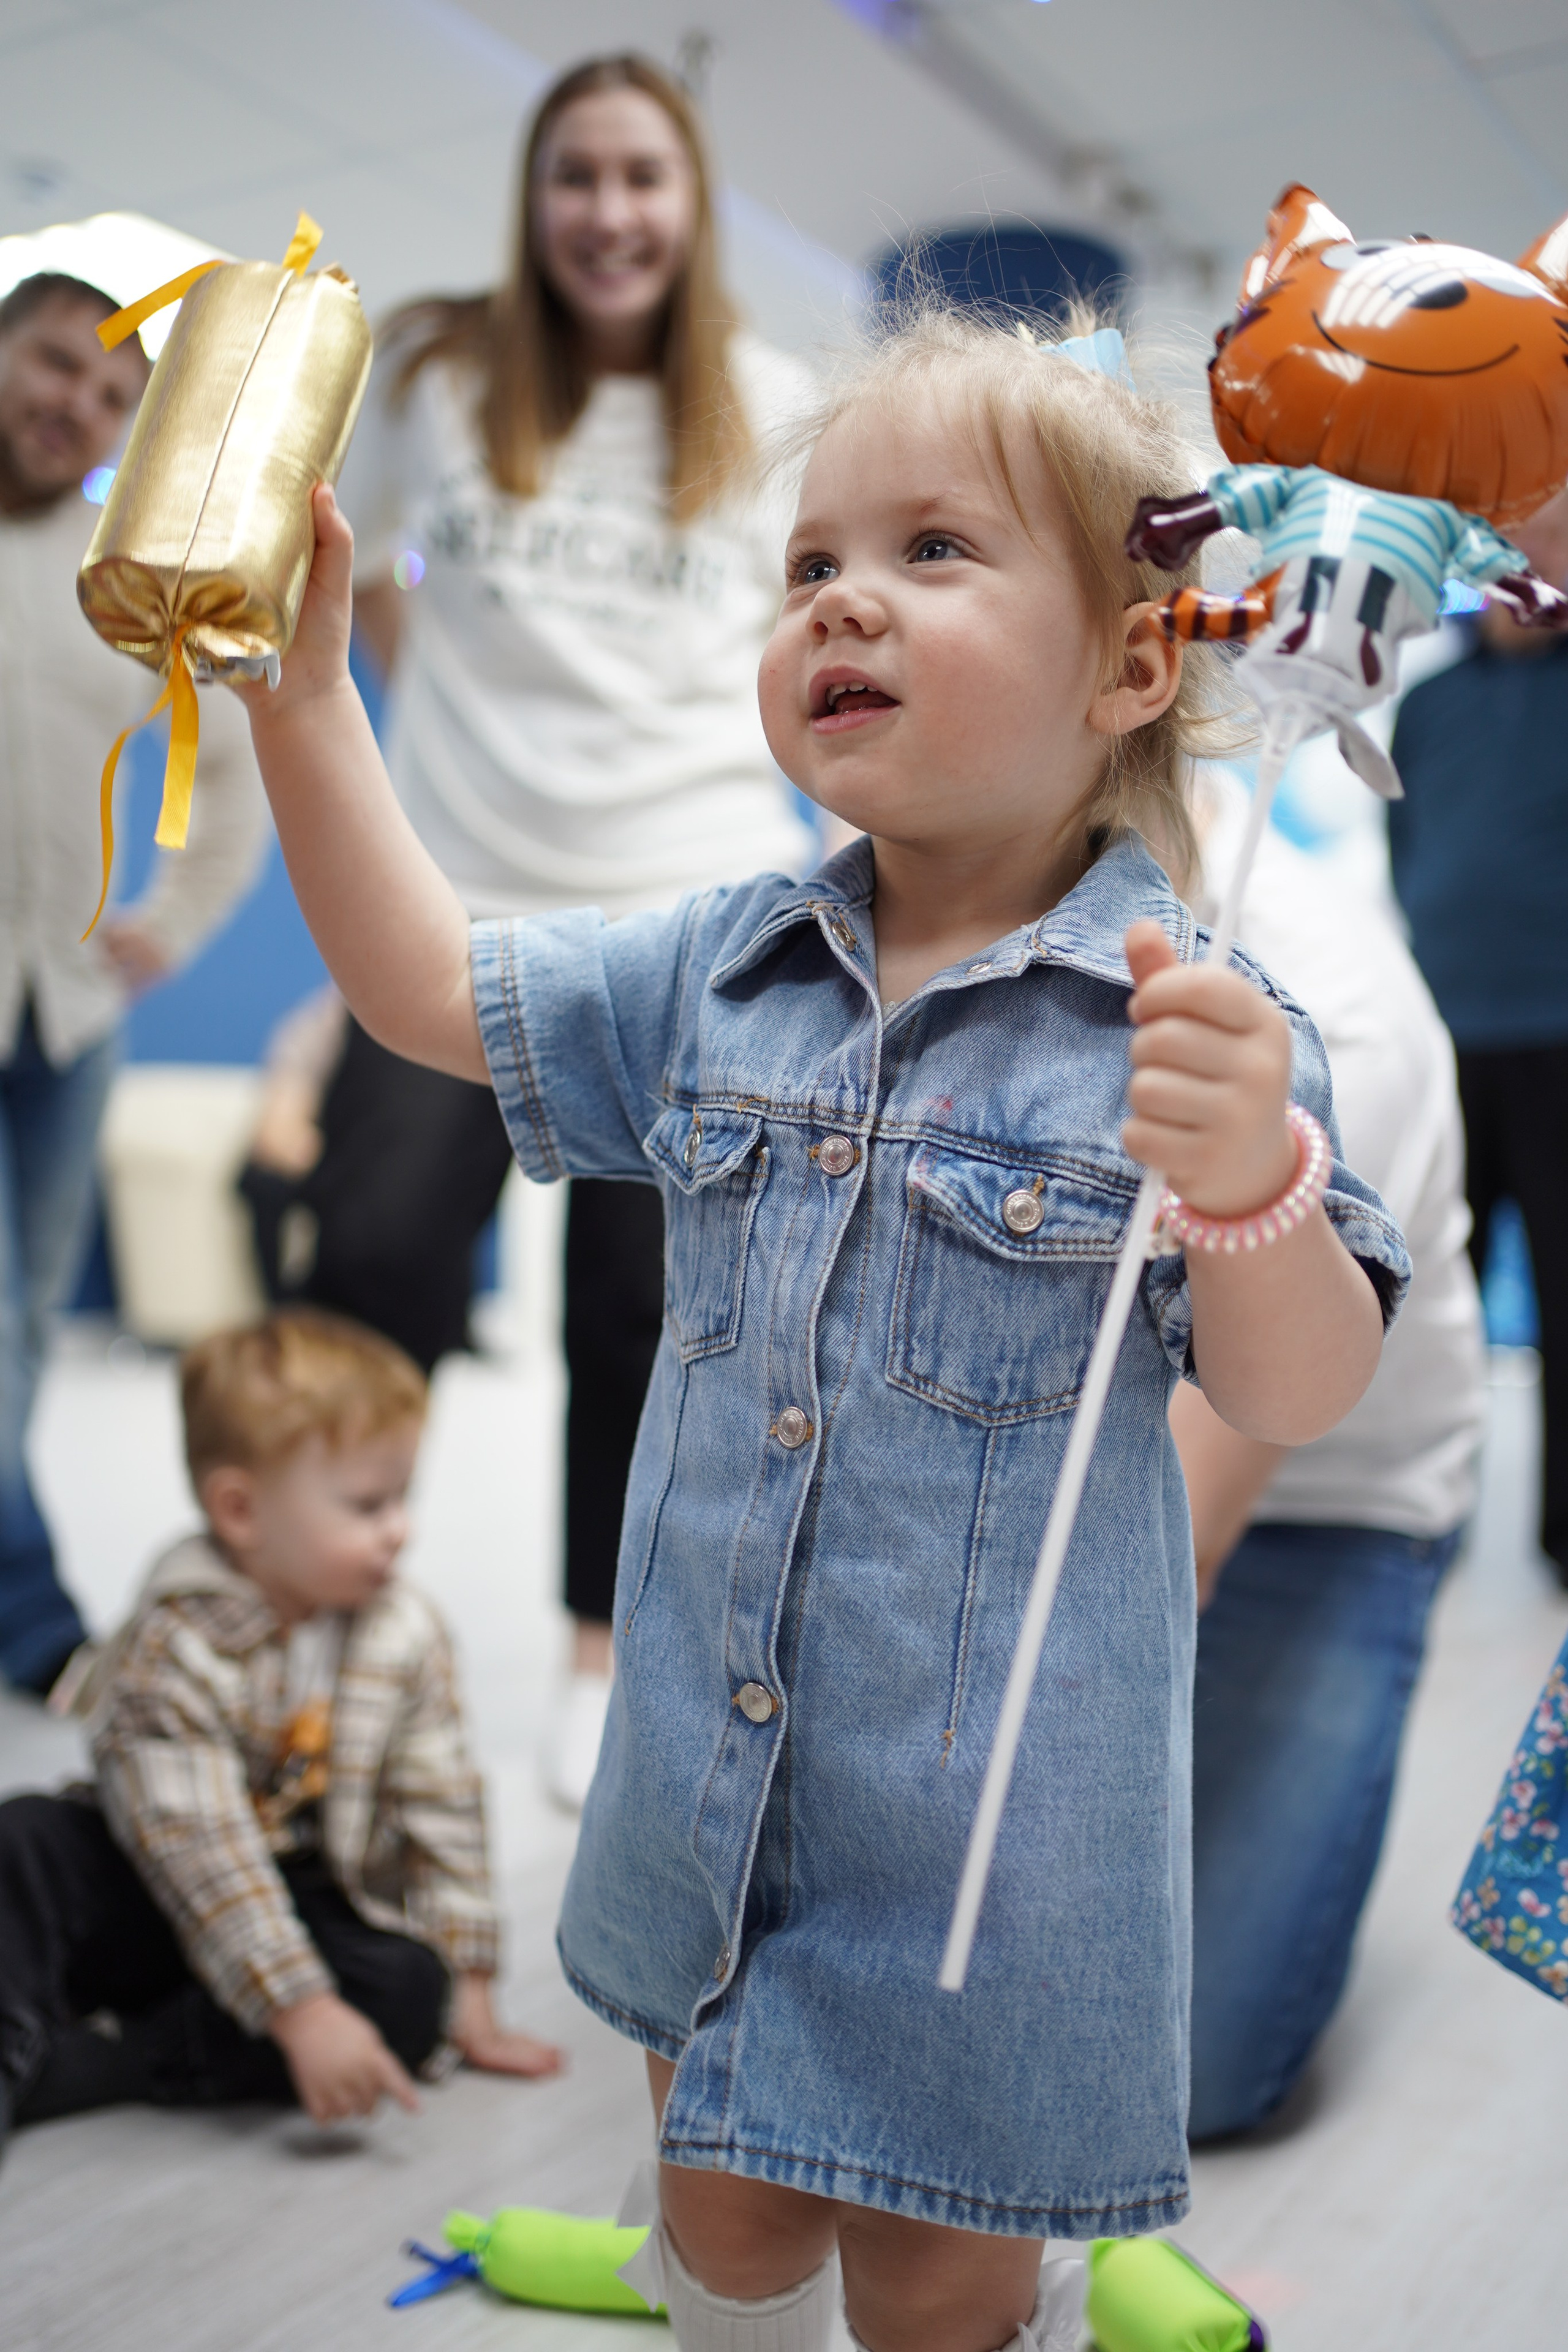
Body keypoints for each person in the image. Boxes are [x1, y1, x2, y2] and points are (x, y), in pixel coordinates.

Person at [233, 301, 1406, 2352]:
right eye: (809, 565)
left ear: (1135, 664)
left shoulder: (1198, 1028)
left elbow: (1297, 1385)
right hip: (711, 1815)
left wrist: (1253, 1181)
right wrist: (310, 702)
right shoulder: (718, 968)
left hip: (994, 1871)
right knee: (731, 2226)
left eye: (933, 550)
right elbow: (426, 987)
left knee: (942, 2292)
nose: (842, 598)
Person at [291, 53, 815, 1807]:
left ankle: (599, 1656)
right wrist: (444, 723)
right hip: (462, 909)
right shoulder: (435, 372)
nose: (608, 211)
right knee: (371, 1260)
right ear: (533, 196)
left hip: (688, 910)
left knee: (641, 1313)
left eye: (642, 177)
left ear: (693, 203)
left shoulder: (768, 399)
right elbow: (352, 576)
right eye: (576, 174)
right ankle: (321, 1627)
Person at [0, 1307, 562, 2147]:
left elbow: (442, 1812)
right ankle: (19, 2044)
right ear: (240, 1511)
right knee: (25, 1842)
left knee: (410, 1990)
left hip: (303, 1891)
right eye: (367, 1505)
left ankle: (113, 2057)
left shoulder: (405, 1632)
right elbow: (198, 1850)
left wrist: (470, 1989)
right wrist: (301, 2011)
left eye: (403, 1497)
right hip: (159, 1880)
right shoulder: (169, 1642)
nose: (400, 1529)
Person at [1169, 769, 1485, 2141]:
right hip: (1039, 1456)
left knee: (1185, 2065)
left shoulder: (1338, 1013)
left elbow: (1184, 1532)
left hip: (1321, 1506)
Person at [0, 270, 268, 1697]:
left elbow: (229, 773)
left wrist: (175, 921)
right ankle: (33, 1616)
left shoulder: (124, 583)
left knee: (27, 1324)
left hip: (71, 1016)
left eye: (113, 396)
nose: (79, 406)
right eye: (57, 365)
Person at [1387, 491, 1568, 1585]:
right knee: (1431, 1297)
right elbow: (1408, 841)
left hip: (1559, 1036)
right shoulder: (1432, 704)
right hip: (1448, 1032)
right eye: (1511, 551)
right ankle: (1421, 1524)